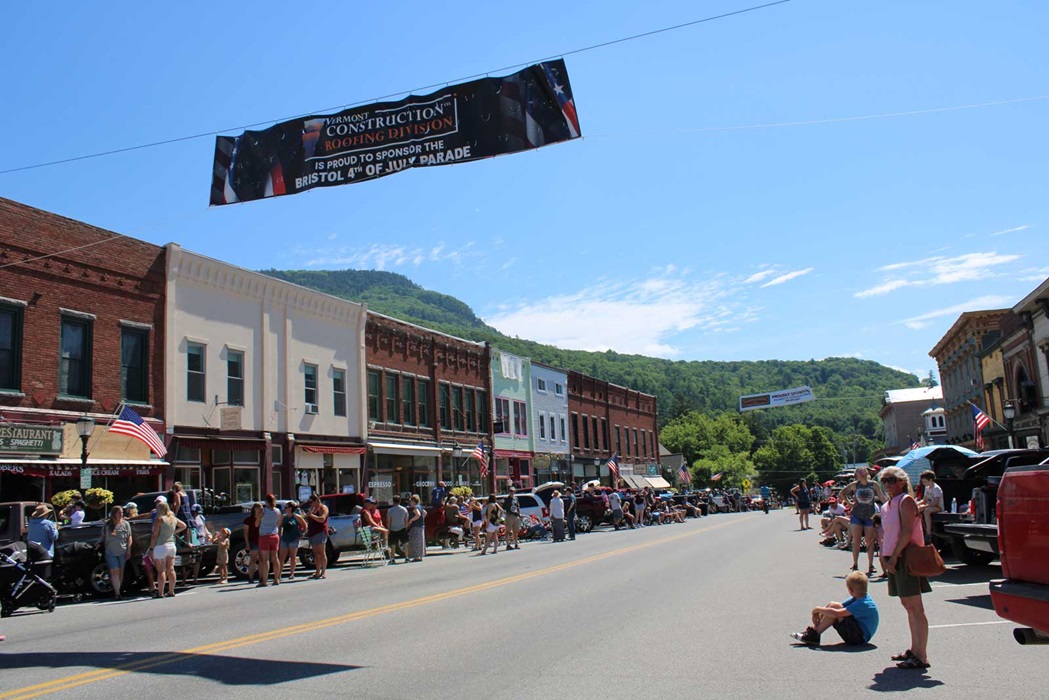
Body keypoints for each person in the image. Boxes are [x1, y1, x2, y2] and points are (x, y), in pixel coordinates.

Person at [879, 466, 932, 670]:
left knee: (916, 607)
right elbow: (887, 533)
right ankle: (914, 649)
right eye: (884, 480)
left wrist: (894, 557)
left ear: (902, 481)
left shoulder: (905, 500)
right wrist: (884, 556)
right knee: (907, 605)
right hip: (894, 557)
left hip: (906, 557)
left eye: (891, 480)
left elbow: (907, 531)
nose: (887, 484)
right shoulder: (887, 504)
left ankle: (921, 655)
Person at [791, 571, 879, 647]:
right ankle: (814, 631)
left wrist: (816, 610)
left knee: (834, 610)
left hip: (859, 638)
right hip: (858, 632)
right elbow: (837, 606)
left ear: (851, 590)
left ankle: (815, 635)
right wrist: (820, 615)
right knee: (832, 604)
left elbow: (837, 613)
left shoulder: (862, 603)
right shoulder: (860, 597)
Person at [838, 467, 887, 575]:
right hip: (857, 515)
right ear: (857, 475)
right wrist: (849, 503)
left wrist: (889, 506)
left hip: (870, 515)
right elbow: (842, 493)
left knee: (870, 541)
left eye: (863, 470)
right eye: (859, 471)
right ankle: (855, 564)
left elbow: (882, 497)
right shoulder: (855, 485)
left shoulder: (873, 484)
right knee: (856, 540)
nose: (862, 472)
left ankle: (870, 565)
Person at [148, 499, 186, 598]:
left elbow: (154, 535)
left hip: (160, 545)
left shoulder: (160, 519)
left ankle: (160, 593)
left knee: (161, 571)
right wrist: (174, 532)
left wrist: (151, 549)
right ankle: (171, 591)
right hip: (171, 545)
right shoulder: (173, 518)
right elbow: (184, 526)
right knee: (171, 569)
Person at [99, 505, 132, 599]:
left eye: (122, 512)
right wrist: (98, 542)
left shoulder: (125, 524)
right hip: (110, 550)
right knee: (114, 570)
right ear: (114, 514)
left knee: (121, 571)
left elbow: (129, 537)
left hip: (122, 550)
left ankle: (118, 590)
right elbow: (103, 535)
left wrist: (128, 550)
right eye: (119, 513)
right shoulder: (107, 524)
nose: (121, 514)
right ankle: (117, 593)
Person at [278, 502, 307, 579]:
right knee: (281, 557)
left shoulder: (296, 517)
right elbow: (279, 526)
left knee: (293, 557)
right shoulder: (283, 517)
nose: (285, 509)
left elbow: (305, 525)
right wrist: (279, 535)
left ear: (291, 508)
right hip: (284, 538)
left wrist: (302, 534)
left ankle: (292, 573)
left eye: (286, 507)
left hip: (294, 539)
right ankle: (279, 574)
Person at [304, 494, 330, 579]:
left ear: (316, 501)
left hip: (320, 531)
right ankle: (317, 572)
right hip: (313, 532)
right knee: (315, 553)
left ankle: (323, 572)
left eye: (311, 502)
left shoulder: (323, 508)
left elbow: (322, 519)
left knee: (321, 552)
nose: (310, 504)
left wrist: (311, 515)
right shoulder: (313, 509)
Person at [917, 470, 943, 544]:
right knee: (917, 509)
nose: (923, 483)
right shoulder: (927, 488)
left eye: (925, 481)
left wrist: (924, 506)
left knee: (927, 511)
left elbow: (935, 502)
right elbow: (924, 500)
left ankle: (928, 533)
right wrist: (916, 504)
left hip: (938, 507)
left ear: (930, 480)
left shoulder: (936, 488)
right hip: (929, 505)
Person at [242, 503, 262, 583]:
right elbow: (245, 533)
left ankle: (261, 577)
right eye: (259, 508)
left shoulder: (262, 519)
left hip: (262, 540)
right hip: (253, 541)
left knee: (262, 559)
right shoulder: (248, 520)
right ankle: (251, 577)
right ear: (255, 509)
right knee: (253, 559)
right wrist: (247, 543)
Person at [387, 495, 410, 563]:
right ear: (400, 501)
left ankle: (392, 559)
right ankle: (406, 558)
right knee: (405, 544)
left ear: (393, 501)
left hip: (393, 529)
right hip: (402, 528)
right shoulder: (404, 509)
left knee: (393, 545)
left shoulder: (390, 510)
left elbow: (389, 521)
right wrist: (406, 527)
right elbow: (406, 520)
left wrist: (389, 529)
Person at [406, 494, 427, 562]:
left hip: (415, 526)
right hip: (421, 526)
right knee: (421, 542)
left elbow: (418, 514)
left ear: (413, 501)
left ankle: (416, 556)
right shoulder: (420, 506)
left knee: (415, 541)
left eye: (411, 501)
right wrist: (421, 519)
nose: (410, 503)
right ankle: (420, 556)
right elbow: (425, 513)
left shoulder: (415, 507)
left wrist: (411, 520)